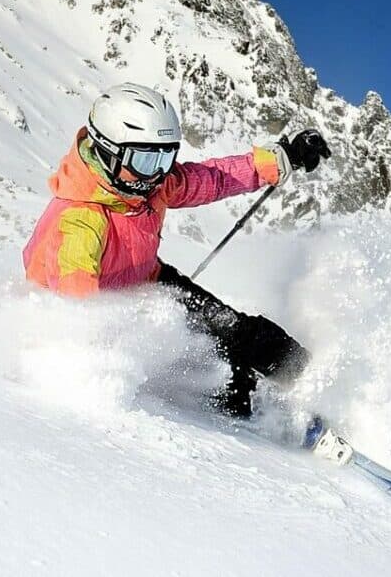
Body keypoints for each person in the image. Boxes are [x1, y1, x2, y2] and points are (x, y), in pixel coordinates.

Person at [22, 82, 332, 417]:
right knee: (217, 367)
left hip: (150, 281)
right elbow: (77, 314)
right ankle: (256, 415)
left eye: (165, 157)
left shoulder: (145, 184)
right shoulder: (79, 224)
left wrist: (279, 158)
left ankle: (317, 382)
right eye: (144, 159)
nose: (156, 173)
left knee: (236, 330)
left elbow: (211, 178)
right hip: (117, 314)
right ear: (107, 150)